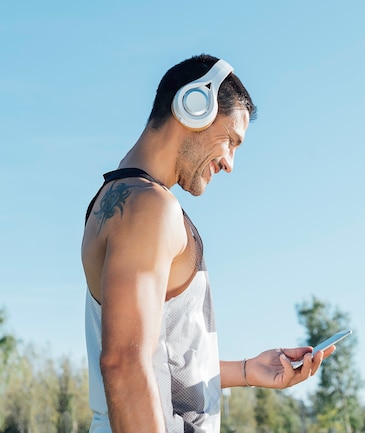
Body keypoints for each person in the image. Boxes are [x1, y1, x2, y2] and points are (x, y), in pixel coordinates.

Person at [81, 54, 332, 433]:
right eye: (230, 140)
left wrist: (248, 370)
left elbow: (157, 358)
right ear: (193, 106)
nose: (230, 162)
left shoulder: (127, 200)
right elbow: (123, 364)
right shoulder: (147, 208)